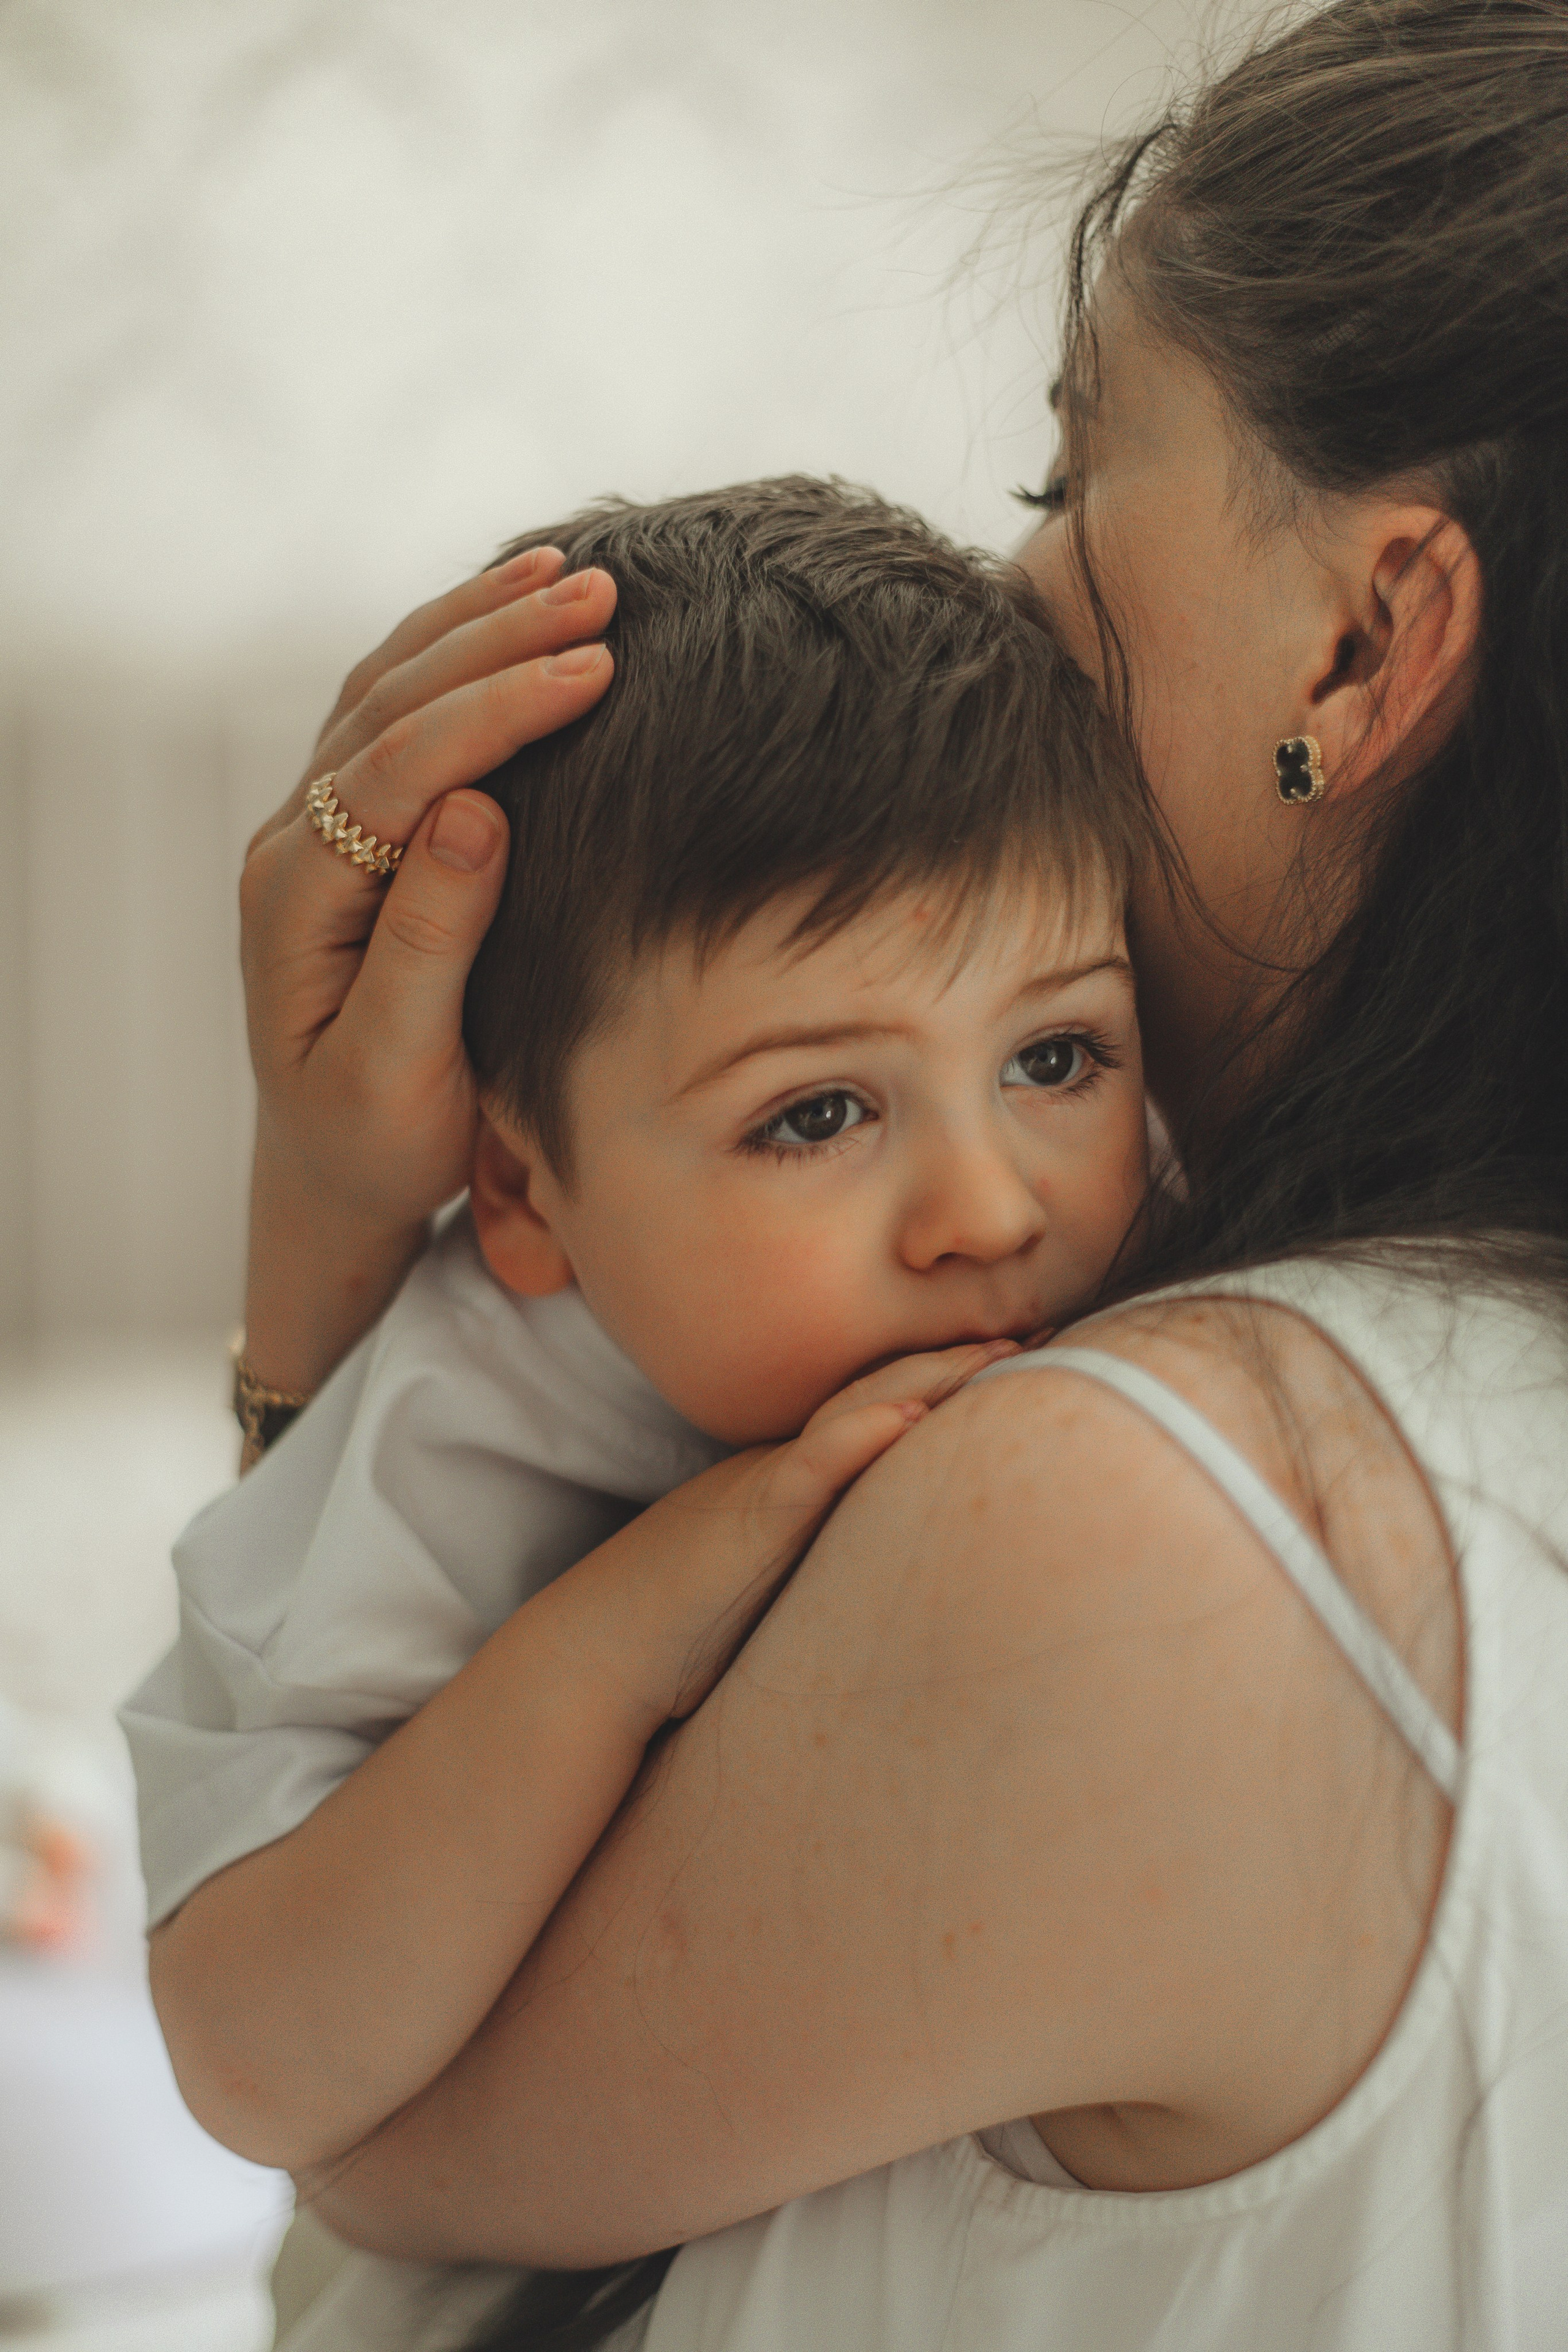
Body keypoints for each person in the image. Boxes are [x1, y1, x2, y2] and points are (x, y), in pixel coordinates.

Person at [157, 0, 1568, 2343]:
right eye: (826, 1104)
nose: (1013, 589)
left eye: (1069, 475)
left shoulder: (1164, 1521)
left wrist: (322, 1266)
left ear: (1368, 635)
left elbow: (354, 2149)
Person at [132, 477, 1150, 2182]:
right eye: (817, 1115)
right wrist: (630, 1623)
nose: (991, 1207)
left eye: (1055, 1059)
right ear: (525, 1195)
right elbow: (252, 2065)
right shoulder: (458, 1423)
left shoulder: (1181, 1251)